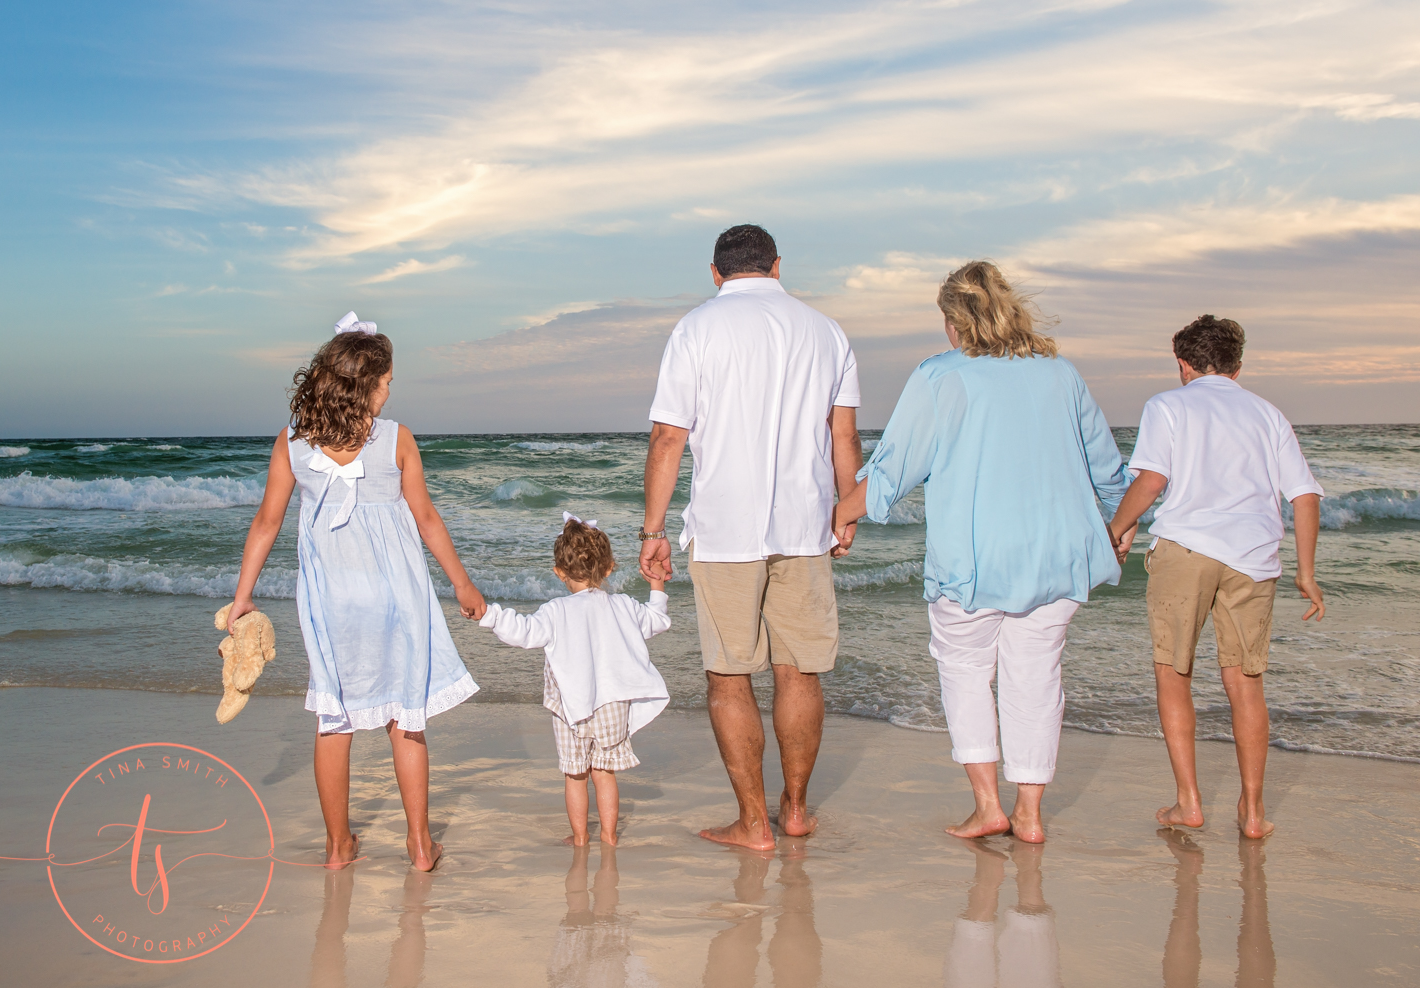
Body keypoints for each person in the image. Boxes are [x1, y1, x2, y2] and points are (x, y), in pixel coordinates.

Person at [834, 260, 1130, 843]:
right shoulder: (1060, 374)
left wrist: (844, 514)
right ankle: (1031, 814)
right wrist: (1121, 526)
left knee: (966, 671)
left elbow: (897, 466)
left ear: (955, 320)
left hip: (975, 558)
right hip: (1059, 555)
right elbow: (1107, 466)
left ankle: (990, 805)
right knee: (1037, 677)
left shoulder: (941, 376)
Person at [227, 311, 487, 872]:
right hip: (398, 595)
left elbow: (266, 524)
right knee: (406, 715)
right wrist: (462, 585)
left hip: (332, 601)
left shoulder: (293, 443)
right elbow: (427, 519)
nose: (392, 389)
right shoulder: (395, 439)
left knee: (333, 718)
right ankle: (419, 845)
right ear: (365, 383)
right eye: (388, 380)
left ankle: (338, 846)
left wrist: (243, 595)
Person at [641, 223, 862, 850]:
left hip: (724, 528)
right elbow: (843, 437)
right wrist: (846, 510)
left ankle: (753, 822)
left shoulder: (696, 329)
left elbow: (668, 438)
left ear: (715, 273)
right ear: (776, 266)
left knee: (729, 676)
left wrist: (653, 529)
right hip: (805, 523)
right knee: (800, 673)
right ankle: (794, 810)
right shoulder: (826, 331)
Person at [1108, 314, 1325, 839]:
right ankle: (1252, 813)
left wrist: (1115, 527)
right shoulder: (1268, 414)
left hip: (1186, 549)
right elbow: (1305, 495)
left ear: (1183, 364)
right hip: (1253, 556)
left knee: (1173, 672)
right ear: (1237, 365)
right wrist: (1308, 572)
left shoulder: (1168, 404)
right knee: (1246, 682)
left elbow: (1153, 479)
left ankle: (1189, 803)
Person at [481, 514, 671, 846]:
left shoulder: (555, 611)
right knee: (604, 773)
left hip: (572, 708)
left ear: (559, 572)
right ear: (610, 567)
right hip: (612, 705)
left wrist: (490, 615)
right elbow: (657, 621)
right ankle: (609, 837)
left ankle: (581, 838)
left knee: (575, 775)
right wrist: (657, 584)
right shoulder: (624, 605)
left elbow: (522, 632)